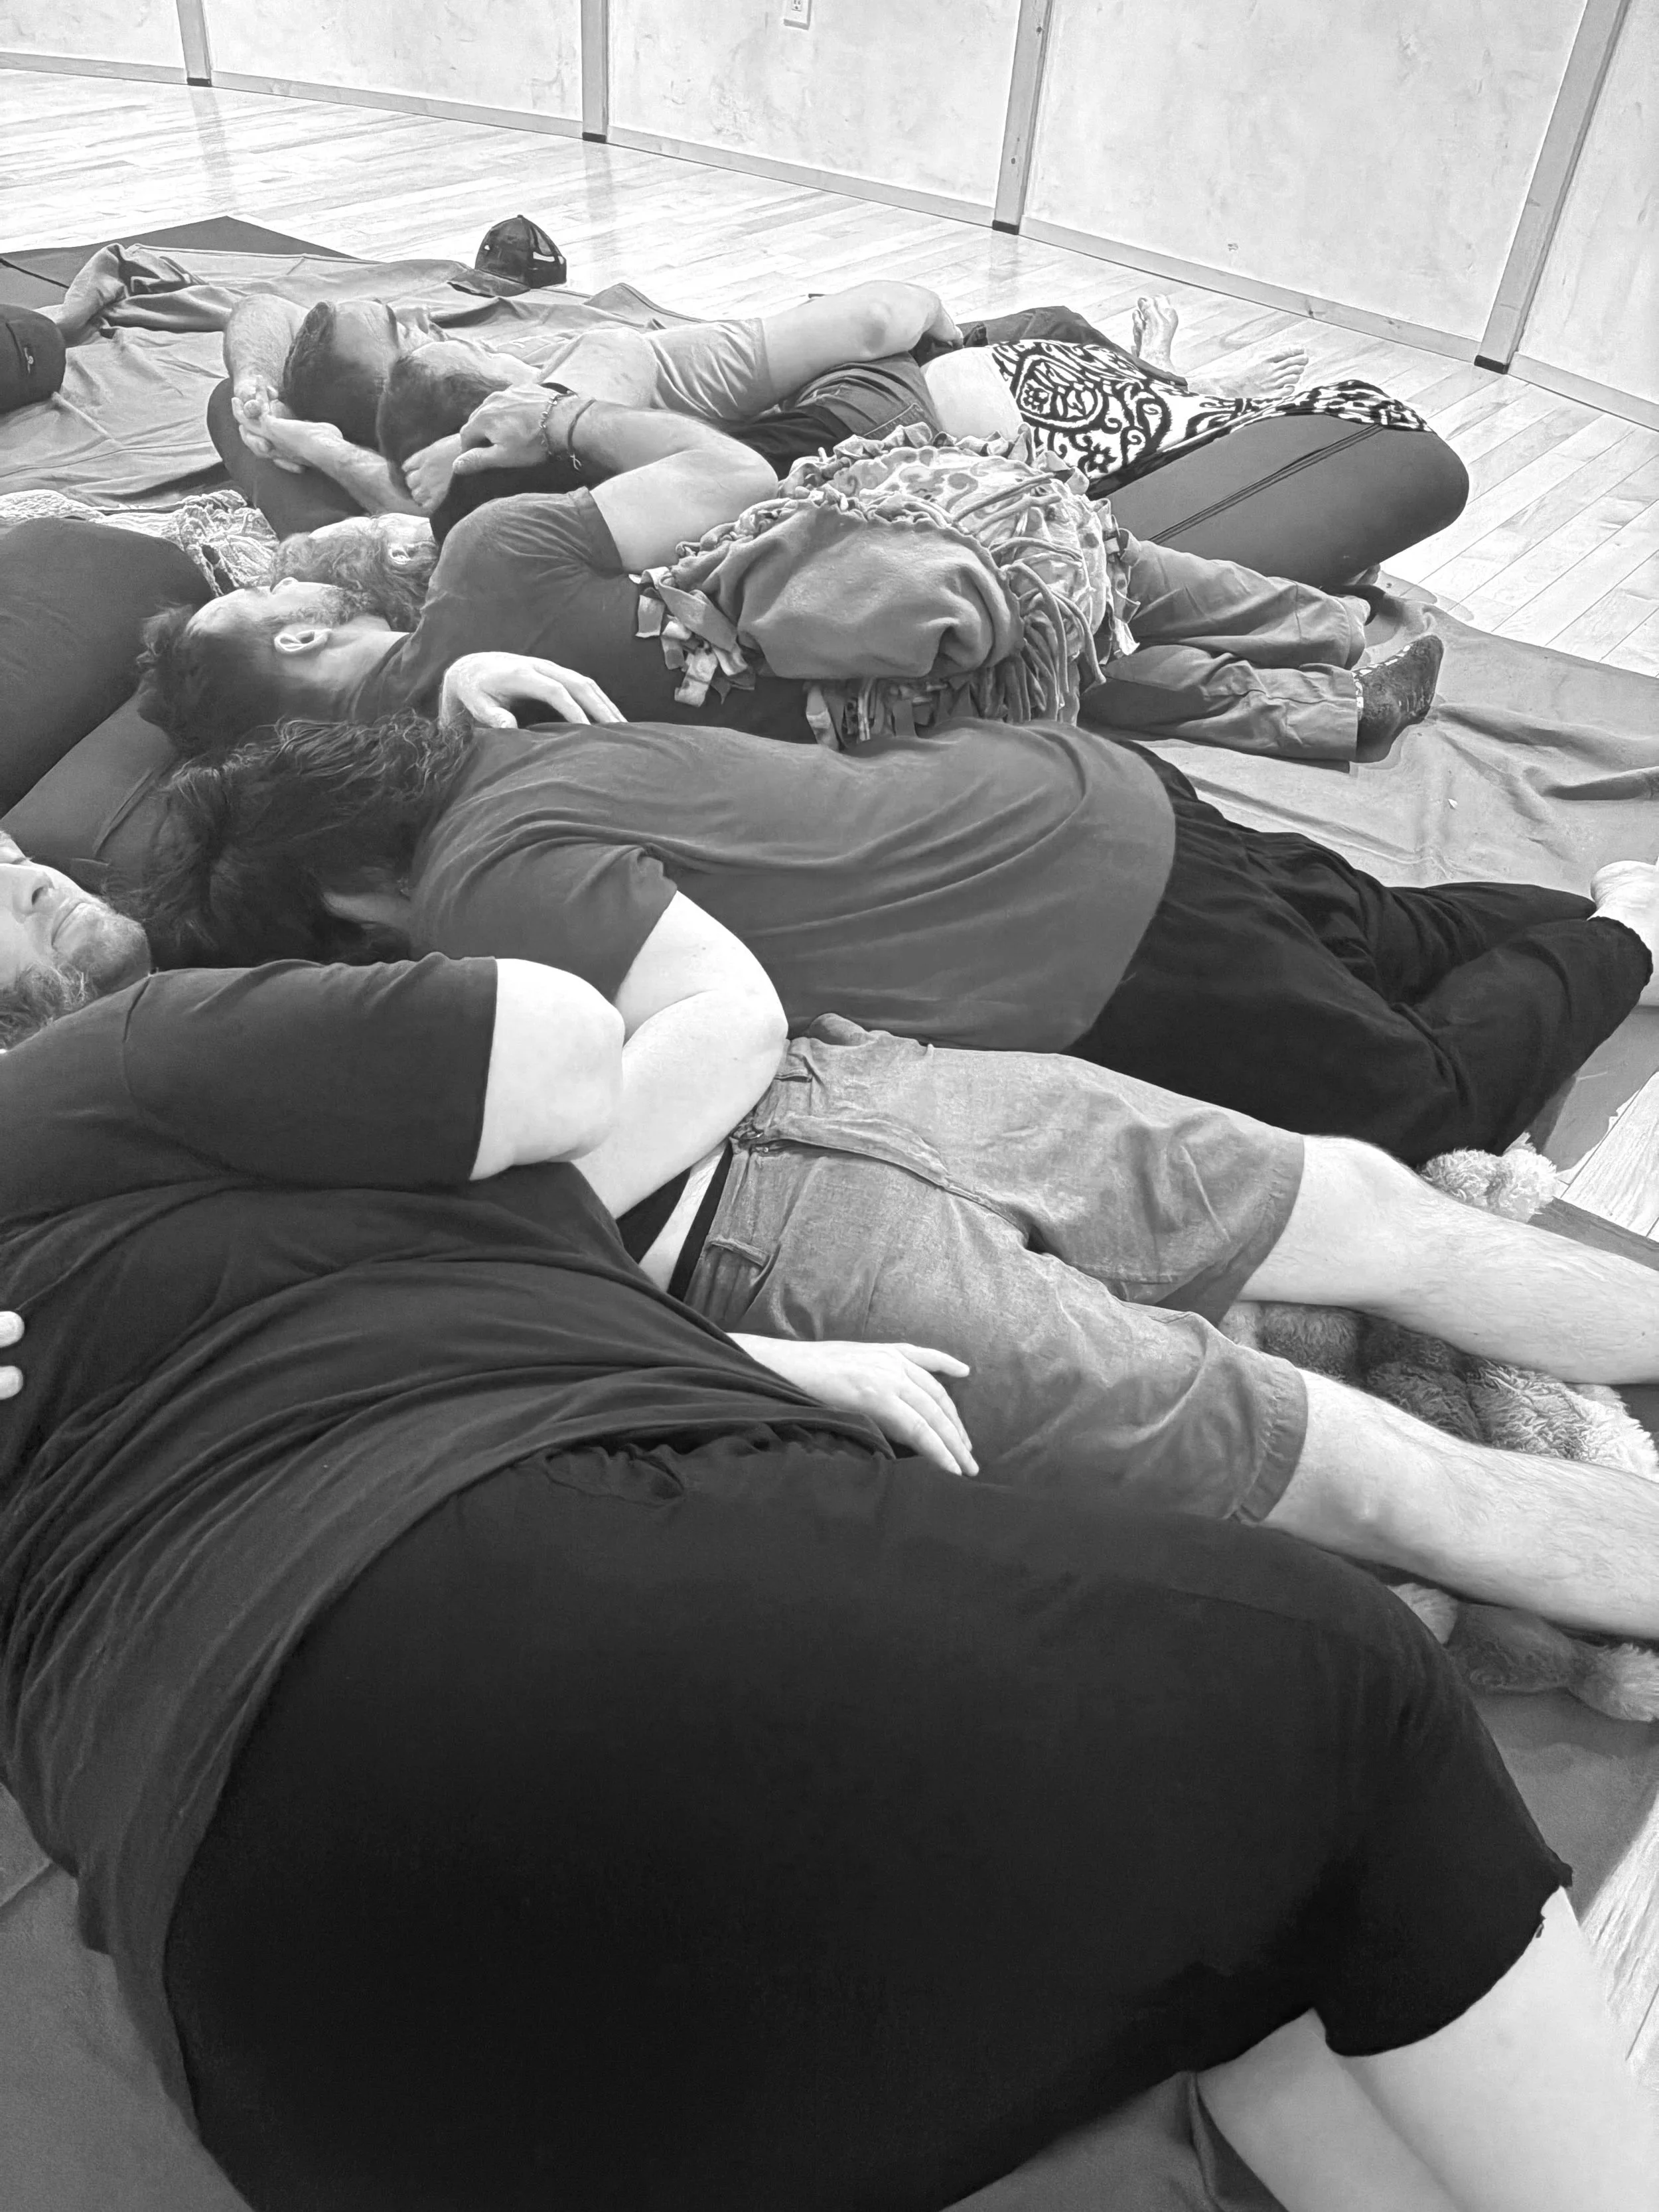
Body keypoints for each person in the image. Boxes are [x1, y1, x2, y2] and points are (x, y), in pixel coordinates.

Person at [2, 946, 1656, 2212]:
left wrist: (738, 1363)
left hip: (299, 2062)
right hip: (484, 1599)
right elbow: (578, 1046)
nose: (29, 876)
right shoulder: (98, 1066)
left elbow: (312, 1334)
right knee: (1343, 1688)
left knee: (1267, 1930)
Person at [9, 827, 1659, 1643]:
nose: (35, 880)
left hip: (834, 1088)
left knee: (1370, 1205)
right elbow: (364, 1364)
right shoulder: (69, 1209)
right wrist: (744, 1358)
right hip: (759, 1260)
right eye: (4, 891)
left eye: (21, 857)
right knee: (1370, 1473)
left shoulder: (198, 930)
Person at [137, 703, 1657, 1165]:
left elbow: (718, 1021)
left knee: (1416, 1106)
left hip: (1091, 935)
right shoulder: (497, 749)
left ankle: (1626, 936)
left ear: (343, 914)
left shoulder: (484, 885)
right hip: (1084, 787)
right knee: (1385, 935)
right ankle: (1592, 900)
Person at [147, 385, 1447, 765]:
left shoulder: (411, 788)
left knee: (1054, 665)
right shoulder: (487, 567)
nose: (292, 581)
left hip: (892, 734)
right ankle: (1335, 629)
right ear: (308, 643)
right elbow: (733, 483)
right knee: (1087, 567)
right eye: (272, 597)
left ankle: (1333, 706)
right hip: (911, 632)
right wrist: (568, 417)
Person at [216, 278, 953, 534]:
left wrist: (263, 393)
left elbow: (261, 310)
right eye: (403, 332)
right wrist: (934, 310)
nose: (424, 314)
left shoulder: (378, 458)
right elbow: (876, 324)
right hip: (881, 407)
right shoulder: (606, 363)